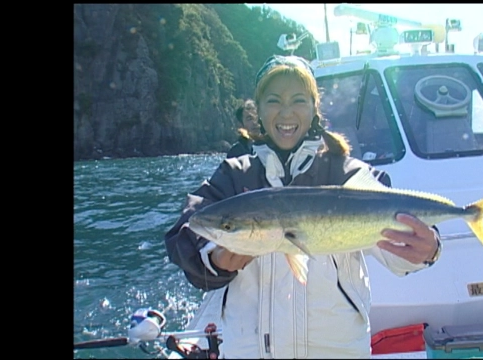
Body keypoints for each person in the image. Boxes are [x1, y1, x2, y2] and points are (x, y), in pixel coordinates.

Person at [164, 55, 442, 359]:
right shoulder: (234, 174)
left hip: (337, 349)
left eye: (298, 100)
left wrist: (428, 250)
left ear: (314, 108)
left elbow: (397, 254)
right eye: (273, 101)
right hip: (249, 349)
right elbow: (188, 234)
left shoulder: (349, 174)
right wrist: (215, 260)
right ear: (257, 110)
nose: (286, 112)